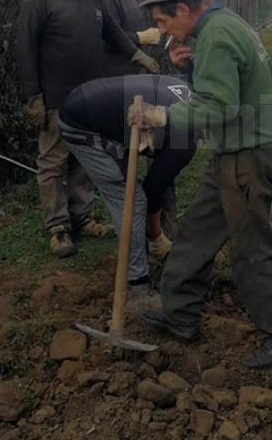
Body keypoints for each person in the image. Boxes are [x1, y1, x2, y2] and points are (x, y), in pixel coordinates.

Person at [127, 0, 272, 370]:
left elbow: (219, 106)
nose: (161, 30)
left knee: (250, 250)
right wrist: (187, 69)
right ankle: (180, 315)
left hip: (246, 157)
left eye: (161, 21)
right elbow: (222, 88)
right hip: (232, 153)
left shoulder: (216, 37)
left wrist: (161, 115)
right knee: (194, 233)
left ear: (182, 9)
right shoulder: (222, 24)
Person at [16, 0, 158, 258]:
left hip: (89, 97)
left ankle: (82, 217)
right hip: (55, 98)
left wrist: (137, 54)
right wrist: (32, 97)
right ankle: (57, 227)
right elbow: (25, 51)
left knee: (84, 159)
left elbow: (112, 32)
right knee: (53, 162)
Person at [59, 75, 196, 300]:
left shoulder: (186, 92)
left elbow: (162, 181)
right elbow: (153, 189)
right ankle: (137, 282)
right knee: (131, 199)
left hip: (98, 106)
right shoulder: (186, 141)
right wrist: (157, 237)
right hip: (82, 124)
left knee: (155, 183)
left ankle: (158, 249)